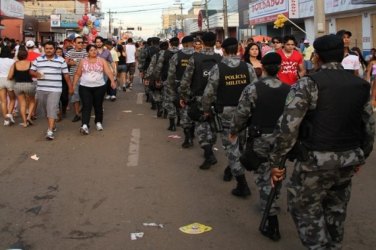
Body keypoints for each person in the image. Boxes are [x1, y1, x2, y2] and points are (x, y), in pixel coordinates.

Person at [270, 34, 374, 249]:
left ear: (316, 57)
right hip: (348, 159)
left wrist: (277, 163)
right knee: (336, 209)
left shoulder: (309, 84)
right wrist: (361, 156)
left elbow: (288, 127)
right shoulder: (359, 85)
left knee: (304, 208)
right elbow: (369, 126)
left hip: (315, 161)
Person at [229, 52, 290, 240]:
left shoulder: (253, 89)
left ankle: (271, 222)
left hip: (261, 138)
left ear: (262, 67)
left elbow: (241, 114)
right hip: (283, 139)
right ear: (279, 68)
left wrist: (234, 130)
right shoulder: (290, 89)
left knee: (264, 177)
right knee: (278, 170)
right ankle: (274, 198)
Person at [202, 37, 257, 197]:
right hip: (245, 113)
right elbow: (255, 90)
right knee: (239, 145)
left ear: (224, 50)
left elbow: (209, 93)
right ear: (239, 49)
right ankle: (231, 168)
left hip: (226, 114)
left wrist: (206, 110)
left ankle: (242, 184)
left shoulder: (218, 68)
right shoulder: (248, 67)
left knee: (231, 148)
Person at [180, 32, 222, 170]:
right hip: (216, 100)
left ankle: (209, 154)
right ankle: (209, 151)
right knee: (213, 126)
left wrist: (185, 97)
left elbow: (186, 80)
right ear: (215, 42)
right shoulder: (219, 58)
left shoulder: (195, 58)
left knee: (201, 127)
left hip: (199, 98)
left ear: (202, 42)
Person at [30, 41, 73, 140]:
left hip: (55, 89)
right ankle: (52, 125)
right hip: (41, 89)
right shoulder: (38, 59)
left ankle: (49, 131)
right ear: (44, 49)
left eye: (51, 48)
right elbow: (31, 70)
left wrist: (70, 87)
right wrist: (35, 74)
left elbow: (66, 75)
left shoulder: (61, 60)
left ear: (54, 49)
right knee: (46, 110)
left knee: (52, 108)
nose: (49, 50)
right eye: (47, 49)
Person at [73, 44, 116, 135]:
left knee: (98, 105)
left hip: (99, 87)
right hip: (85, 87)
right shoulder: (83, 61)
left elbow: (108, 71)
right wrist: (73, 85)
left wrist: (112, 81)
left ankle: (98, 122)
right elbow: (77, 74)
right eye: (91, 50)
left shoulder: (102, 60)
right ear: (88, 52)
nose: (94, 52)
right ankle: (84, 125)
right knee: (86, 106)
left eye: (95, 50)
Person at [166, 35, 195, 143]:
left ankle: (188, 137)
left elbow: (171, 75)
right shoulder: (198, 56)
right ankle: (192, 133)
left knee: (184, 112)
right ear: (192, 43)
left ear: (183, 44)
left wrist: (171, 89)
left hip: (181, 88)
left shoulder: (177, 56)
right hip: (195, 88)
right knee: (194, 111)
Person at [7, 48, 36, 127]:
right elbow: (34, 73)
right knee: (32, 101)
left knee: (22, 104)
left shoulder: (14, 64)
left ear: (18, 56)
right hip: (29, 84)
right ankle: (29, 116)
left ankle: (24, 122)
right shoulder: (30, 63)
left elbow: (9, 76)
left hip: (18, 85)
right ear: (26, 56)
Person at [65, 36, 88, 121]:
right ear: (74, 43)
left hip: (85, 76)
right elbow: (65, 63)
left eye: (82, 42)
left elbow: (89, 62)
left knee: (85, 94)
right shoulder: (70, 52)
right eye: (79, 42)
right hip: (73, 76)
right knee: (75, 94)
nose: (81, 44)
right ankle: (77, 114)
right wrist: (70, 63)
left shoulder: (86, 52)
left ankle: (84, 109)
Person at [94, 36, 116, 101]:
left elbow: (111, 61)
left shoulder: (107, 52)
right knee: (96, 88)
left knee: (102, 88)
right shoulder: (92, 51)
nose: (99, 43)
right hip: (94, 73)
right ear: (95, 43)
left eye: (100, 42)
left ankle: (99, 102)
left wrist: (114, 70)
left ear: (102, 42)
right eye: (97, 42)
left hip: (104, 74)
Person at [0, 52, 16, 126]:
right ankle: (9, 114)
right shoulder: (12, 61)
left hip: (0, 79)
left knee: (3, 101)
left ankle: (6, 119)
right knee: (12, 99)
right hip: (9, 80)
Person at [55, 47, 69, 120]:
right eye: (57, 52)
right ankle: (58, 113)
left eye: (60, 52)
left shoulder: (65, 61)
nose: (59, 53)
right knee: (56, 99)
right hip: (55, 82)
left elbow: (67, 72)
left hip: (64, 82)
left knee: (64, 98)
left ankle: (63, 110)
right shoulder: (52, 61)